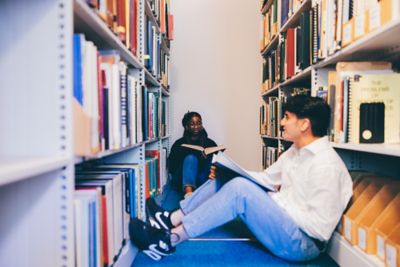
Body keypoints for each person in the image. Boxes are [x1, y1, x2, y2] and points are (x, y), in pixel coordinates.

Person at [129, 95, 353, 262]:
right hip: (285, 226)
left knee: (239, 189)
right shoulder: (295, 151)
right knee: (231, 179)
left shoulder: (326, 166)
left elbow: (319, 229)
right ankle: (169, 220)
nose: (282, 123)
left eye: (287, 117)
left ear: (304, 124)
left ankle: (168, 241)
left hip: (302, 244)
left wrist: (274, 199)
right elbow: (265, 178)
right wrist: (230, 171)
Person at [168, 111, 218, 198]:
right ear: (186, 127)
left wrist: (206, 159)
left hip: (202, 177)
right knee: (191, 158)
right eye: (192, 124)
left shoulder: (210, 142)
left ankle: (208, 191)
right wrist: (186, 159)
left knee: (212, 159)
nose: (196, 126)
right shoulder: (179, 143)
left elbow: (217, 162)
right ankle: (189, 195)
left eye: (199, 123)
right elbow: (172, 167)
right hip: (182, 180)